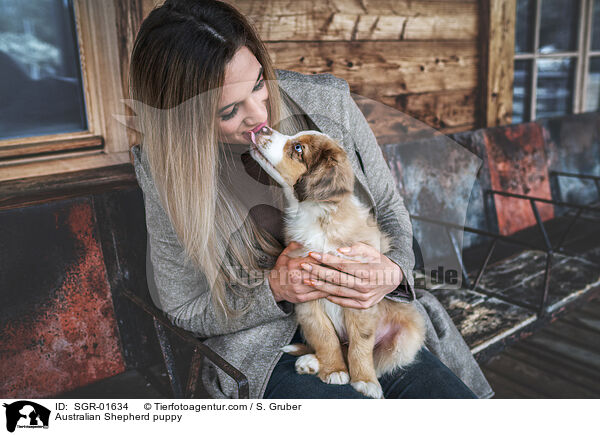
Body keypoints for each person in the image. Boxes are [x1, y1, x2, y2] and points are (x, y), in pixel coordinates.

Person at [128, 0, 493, 399]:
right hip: (268, 347)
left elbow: (388, 208)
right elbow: (183, 307)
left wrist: (390, 272)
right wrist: (273, 290)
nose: (258, 116)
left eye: (258, 84)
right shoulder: (165, 168)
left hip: (374, 321)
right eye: (230, 110)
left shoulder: (326, 103)